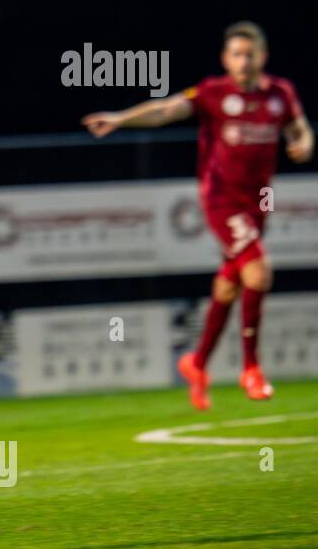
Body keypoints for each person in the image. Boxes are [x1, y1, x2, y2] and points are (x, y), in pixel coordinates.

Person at [83, 21, 312, 409]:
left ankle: (197, 362)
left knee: (229, 285)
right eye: (236, 54)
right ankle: (251, 369)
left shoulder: (279, 94)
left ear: (263, 57)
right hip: (221, 200)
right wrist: (121, 118)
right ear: (226, 59)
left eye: (250, 53)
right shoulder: (213, 93)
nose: (243, 61)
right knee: (259, 270)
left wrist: (304, 142)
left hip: (258, 204)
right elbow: (165, 110)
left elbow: (299, 128)